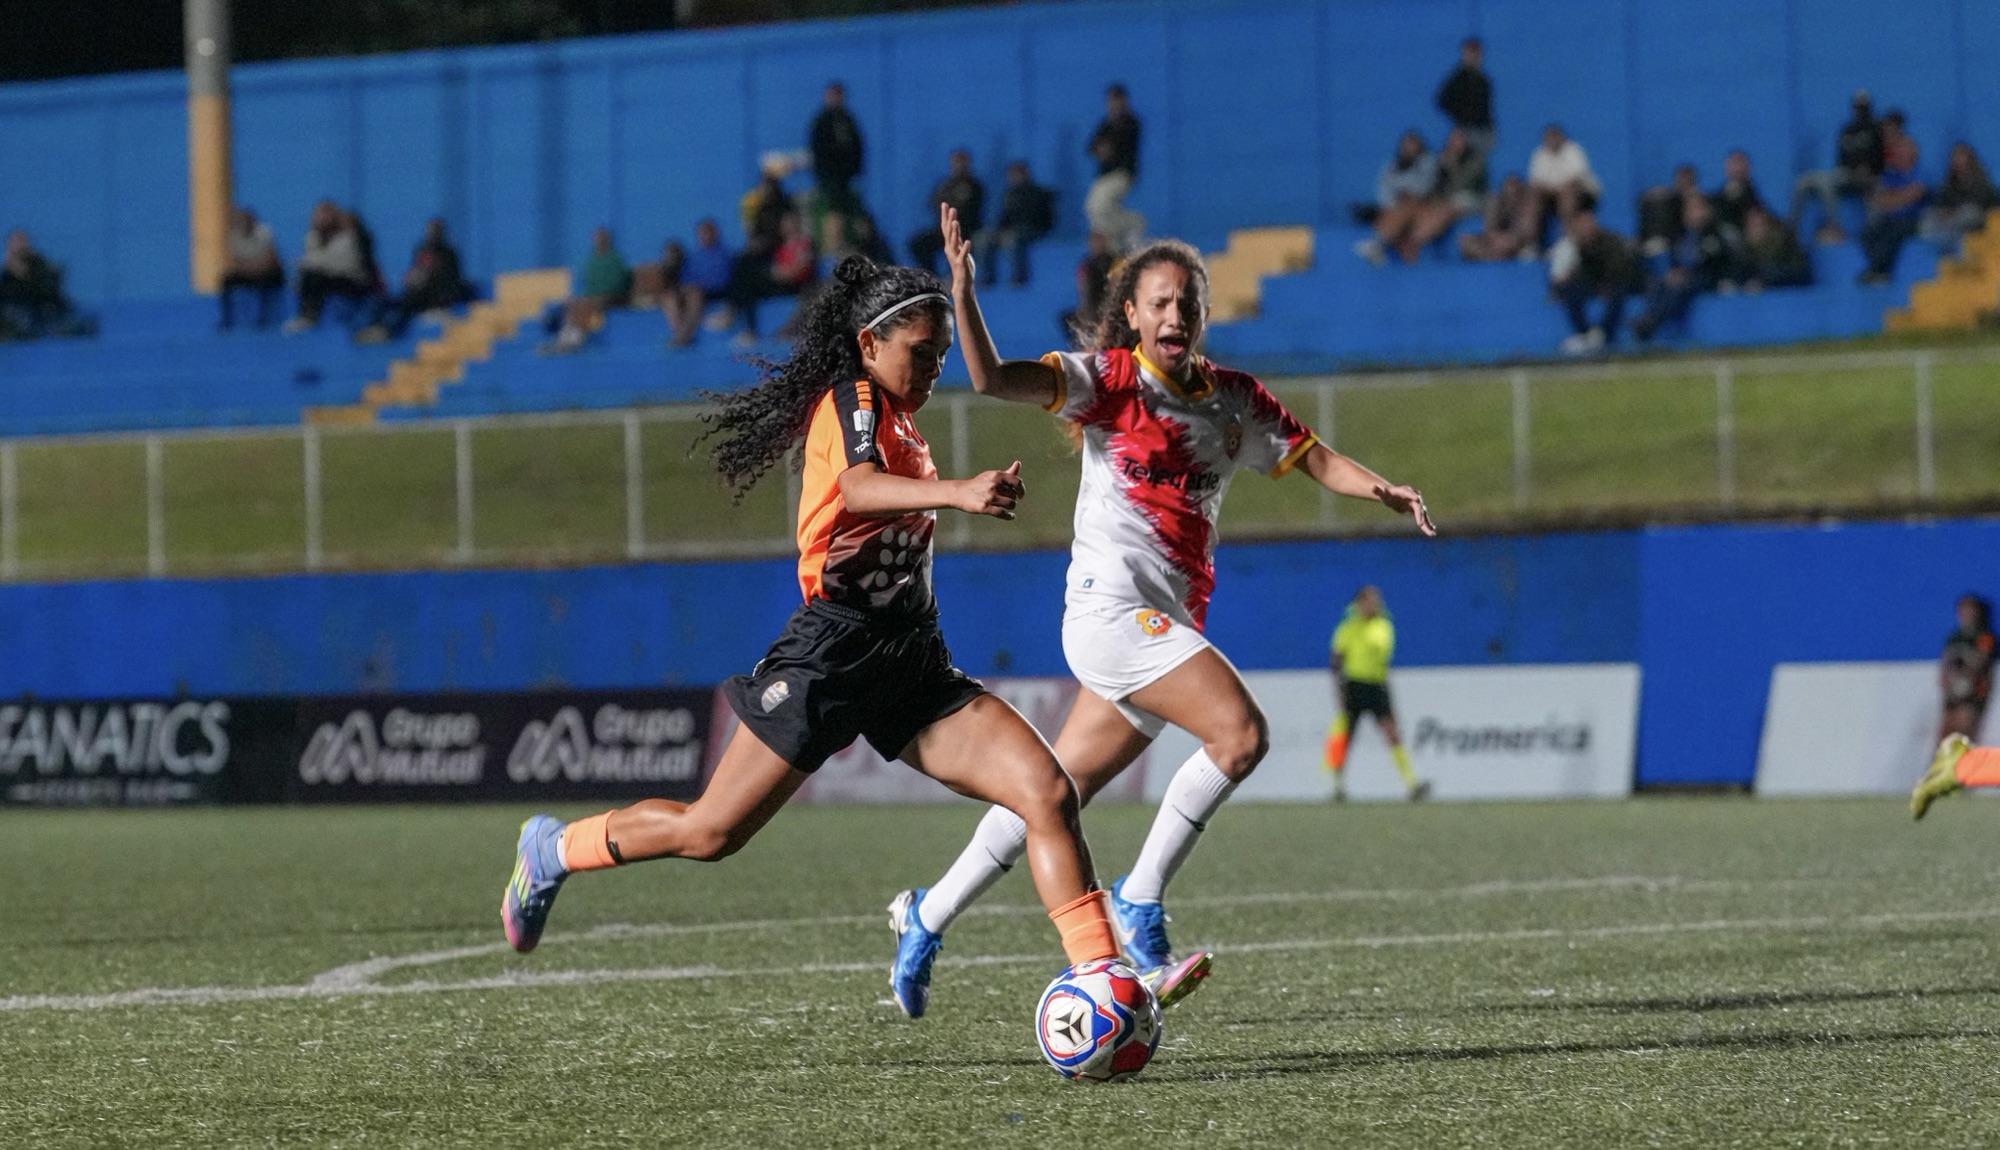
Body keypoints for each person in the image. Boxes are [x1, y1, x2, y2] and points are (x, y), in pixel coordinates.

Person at [500, 256, 1132, 1008]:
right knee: (710, 833)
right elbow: (857, 490)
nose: (934, 367)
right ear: (869, 344)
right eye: (920, 352)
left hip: (910, 659)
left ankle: (1103, 978)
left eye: (940, 354)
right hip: (828, 654)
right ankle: (553, 849)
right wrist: (959, 491)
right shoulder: (851, 398)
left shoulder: (904, 422)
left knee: (1047, 792)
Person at [883, 204, 1436, 1019]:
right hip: (1110, 616)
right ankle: (1139, 900)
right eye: (1160, 303)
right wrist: (964, 294)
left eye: (1188, 302)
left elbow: (1313, 457)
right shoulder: (1109, 383)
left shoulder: (1235, 400)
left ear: (1202, 315)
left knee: (1051, 794)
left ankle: (925, 916)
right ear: (1134, 316)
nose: (1175, 314)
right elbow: (994, 379)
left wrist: (1380, 487)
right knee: (1240, 734)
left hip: (1161, 625)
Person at [1322, 586, 1428, 802]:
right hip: (1354, 686)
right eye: (1369, 601)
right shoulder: (1348, 628)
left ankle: (1412, 783)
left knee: (1392, 733)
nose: (1374, 605)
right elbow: (1336, 659)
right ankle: (1337, 786)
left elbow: (1383, 657)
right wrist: (1339, 689)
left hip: (1377, 685)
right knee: (1343, 737)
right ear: (1359, 604)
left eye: (1376, 601)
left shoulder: (1384, 626)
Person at [1910, 595, 1999, 820]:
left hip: (1971, 695)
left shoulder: (1984, 637)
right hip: (1952, 694)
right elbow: (1946, 660)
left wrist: (1969, 681)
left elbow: (1982, 661)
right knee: (1944, 738)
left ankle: (1959, 780)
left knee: (1964, 736)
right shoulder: (1954, 637)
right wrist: (1946, 680)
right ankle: (1936, 778)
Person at [354, 218, 472, 344]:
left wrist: (429, 282)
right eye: (430, 230)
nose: (432, 233)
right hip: (416, 291)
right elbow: (416, 270)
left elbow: (449, 279)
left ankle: (390, 332)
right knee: (385, 303)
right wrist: (412, 278)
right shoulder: (422, 249)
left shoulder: (448, 253)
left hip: (434, 296)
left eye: (436, 230)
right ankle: (373, 327)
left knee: (407, 307)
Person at [1789, 90, 1884, 246]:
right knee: (1805, 182)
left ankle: (1834, 227)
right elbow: (1840, 160)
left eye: (1863, 107)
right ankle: (1792, 230)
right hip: (1847, 174)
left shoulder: (1877, 128)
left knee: (1831, 182)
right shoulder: (1847, 130)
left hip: (1871, 177)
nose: (1860, 111)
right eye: (1857, 107)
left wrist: (1870, 170)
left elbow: (1883, 158)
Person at [1632, 193, 1730, 342]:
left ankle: (1652, 321)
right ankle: (1649, 317)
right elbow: (1673, 256)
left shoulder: (1713, 232)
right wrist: (1671, 272)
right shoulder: (1678, 233)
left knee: (1681, 285)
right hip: (1679, 275)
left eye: (1696, 209)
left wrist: (1684, 272)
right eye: (1689, 209)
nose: (1692, 214)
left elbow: (1709, 259)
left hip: (1706, 277)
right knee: (1658, 282)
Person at [1548, 208, 1642, 355]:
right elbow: (1584, 273)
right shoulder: (1581, 246)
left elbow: (1620, 268)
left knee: (1618, 294)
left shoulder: (1611, 240)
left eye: (1589, 223)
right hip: (1596, 283)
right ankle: (1584, 334)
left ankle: (1606, 334)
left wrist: (1605, 286)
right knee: (1571, 292)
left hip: (1620, 281)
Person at [726, 211, 817, 347]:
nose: (787, 226)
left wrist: (779, 272)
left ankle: (736, 317)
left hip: (794, 284)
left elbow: (801, 269)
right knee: (745, 274)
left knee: (746, 271)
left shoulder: (804, 244)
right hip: (778, 279)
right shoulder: (781, 245)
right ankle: (742, 322)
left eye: (790, 223)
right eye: (784, 224)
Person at [284, 201, 373, 333]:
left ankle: (310, 316)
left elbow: (342, 265)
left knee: (316, 277)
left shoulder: (348, 238)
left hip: (353, 279)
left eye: (325, 216)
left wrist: (311, 263)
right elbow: (313, 259)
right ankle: (305, 315)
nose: (321, 220)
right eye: (317, 216)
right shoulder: (312, 237)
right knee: (309, 276)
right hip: (328, 277)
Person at [1353, 131, 1439, 266]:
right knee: (1390, 212)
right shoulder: (1392, 165)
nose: (1409, 150)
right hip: (1397, 208)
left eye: (1413, 147)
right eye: (1406, 147)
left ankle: (1379, 244)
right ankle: (1381, 247)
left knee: (1408, 203)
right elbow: (1383, 190)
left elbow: (1422, 188)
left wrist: (1404, 191)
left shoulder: (1428, 162)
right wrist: (1395, 201)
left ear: (1420, 148)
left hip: (1423, 206)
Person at [542, 227, 632, 354]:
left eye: (601, 238)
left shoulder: (615, 259)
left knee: (585, 304)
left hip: (613, 297)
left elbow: (619, 283)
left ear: (607, 240)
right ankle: (564, 337)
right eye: (596, 238)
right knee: (572, 302)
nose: (598, 241)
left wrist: (597, 295)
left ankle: (575, 339)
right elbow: (588, 284)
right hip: (592, 296)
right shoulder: (591, 260)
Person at [1857, 136, 1927, 286]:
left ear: (1913, 153)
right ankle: (1877, 269)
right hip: (1890, 218)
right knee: (1868, 233)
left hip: (1914, 219)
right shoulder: (1890, 175)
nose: (1899, 154)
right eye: (1898, 151)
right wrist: (1901, 197)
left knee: (1894, 232)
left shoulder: (1921, 173)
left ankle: (1880, 271)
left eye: (1903, 150)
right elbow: (1880, 201)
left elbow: (1915, 195)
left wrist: (1894, 199)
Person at [975, 161, 1057, 287]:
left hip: (1033, 229)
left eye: (1017, 174)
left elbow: (1041, 218)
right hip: (1012, 229)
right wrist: (998, 231)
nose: (1013, 177)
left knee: (1010, 239)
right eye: (1011, 174)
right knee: (982, 238)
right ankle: (986, 277)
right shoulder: (1010, 194)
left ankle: (1018, 277)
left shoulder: (1038, 193)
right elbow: (1005, 217)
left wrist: (1011, 230)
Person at [0, 230, 94, 340]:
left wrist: (24, 275)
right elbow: (8, 295)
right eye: (15, 243)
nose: (19, 246)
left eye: (22, 242)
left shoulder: (38, 264)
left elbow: (46, 289)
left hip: (42, 309)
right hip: (20, 310)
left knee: (50, 321)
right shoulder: (8, 272)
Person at [1085, 83, 1145, 253]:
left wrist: (1108, 149)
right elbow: (1091, 148)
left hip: (1122, 173)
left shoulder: (1131, 122)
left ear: (1124, 100)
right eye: (1110, 100)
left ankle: (1134, 222)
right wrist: (1100, 150)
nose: (1112, 104)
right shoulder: (1106, 123)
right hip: (1104, 174)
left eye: (1116, 100)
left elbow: (1122, 147)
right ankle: (1114, 246)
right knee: (1092, 209)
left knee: (1100, 205)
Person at [908, 149, 985, 276]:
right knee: (918, 243)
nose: (958, 165)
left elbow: (968, 209)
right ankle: (931, 275)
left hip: (966, 229)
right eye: (955, 162)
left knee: (958, 246)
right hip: (944, 229)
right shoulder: (945, 184)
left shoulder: (974, 185)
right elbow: (934, 202)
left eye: (961, 161)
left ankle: (956, 277)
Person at [807, 81, 865, 247]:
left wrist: (855, 168)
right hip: (830, 176)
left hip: (847, 176)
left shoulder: (848, 120)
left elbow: (857, 146)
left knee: (851, 211)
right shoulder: (822, 121)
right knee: (834, 211)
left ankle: (852, 244)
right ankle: (834, 245)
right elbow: (818, 150)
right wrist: (824, 172)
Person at [1526, 124, 1601, 246]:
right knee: (1532, 198)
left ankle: (1568, 237)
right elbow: (1535, 183)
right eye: (1549, 138)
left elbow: (1574, 180)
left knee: (1567, 193)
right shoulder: (1539, 154)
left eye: (1555, 137)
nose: (1552, 141)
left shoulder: (1573, 150)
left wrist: (1554, 189)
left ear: (1562, 137)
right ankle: (1531, 242)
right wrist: (1551, 190)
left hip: (1583, 195)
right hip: (1552, 195)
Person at [1919, 143, 2000, 255]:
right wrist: (1943, 211)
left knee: (1969, 212)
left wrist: (1955, 212)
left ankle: (1949, 241)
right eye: (1954, 156)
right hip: (1951, 219)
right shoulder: (1949, 182)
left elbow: (1984, 204)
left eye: (1960, 156)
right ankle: (1938, 243)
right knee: (1928, 214)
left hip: (1976, 218)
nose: (1957, 160)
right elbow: (1942, 200)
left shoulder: (1982, 181)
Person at [665, 219, 732, 348]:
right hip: (691, 290)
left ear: (715, 234)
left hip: (714, 291)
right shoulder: (693, 256)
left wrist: (698, 286)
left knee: (694, 296)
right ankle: (680, 333)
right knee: (669, 297)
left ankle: (684, 337)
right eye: (701, 233)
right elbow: (685, 278)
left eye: (707, 232)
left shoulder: (723, 254)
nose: (704, 236)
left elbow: (722, 278)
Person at [1434, 36, 1494, 177]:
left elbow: (1486, 108)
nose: (1473, 57)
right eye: (1469, 53)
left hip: (1484, 131)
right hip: (1467, 129)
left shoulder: (1483, 80)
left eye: (1476, 53)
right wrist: (1461, 121)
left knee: (1477, 164)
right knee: (1452, 161)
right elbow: (1442, 100)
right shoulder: (1458, 78)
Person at [218, 207, 284, 330]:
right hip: (247, 272)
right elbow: (235, 262)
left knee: (268, 279)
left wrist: (257, 269)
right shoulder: (233, 236)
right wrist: (249, 271)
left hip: (265, 271)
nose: (246, 223)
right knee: (226, 280)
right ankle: (227, 318)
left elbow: (271, 259)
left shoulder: (265, 233)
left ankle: (264, 318)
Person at [1457, 173, 1536, 262]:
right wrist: (1496, 239)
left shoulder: (1530, 205)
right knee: (1465, 242)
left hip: (1517, 243)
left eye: (1515, 192)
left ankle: (1492, 256)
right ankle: (1492, 255)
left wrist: (1506, 241)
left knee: (1525, 250)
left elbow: (1528, 234)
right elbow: (1489, 230)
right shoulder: (1495, 201)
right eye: (1508, 192)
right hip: (1496, 241)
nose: (1512, 195)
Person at [1059, 231, 1117, 346]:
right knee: (1067, 318)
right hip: (1091, 306)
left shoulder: (1114, 262)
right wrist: (1086, 311)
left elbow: (1115, 286)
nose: (1096, 244)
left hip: (1109, 306)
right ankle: (1080, 346)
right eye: (1093, 241)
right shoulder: (1086, 264)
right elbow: (1084, 290)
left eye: (1099, 241)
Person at [1737, 207, 1813, 293]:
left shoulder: (1786, 246)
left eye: (1759, 224)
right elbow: (1739, 274)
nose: (1756, 229)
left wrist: (1765, 282)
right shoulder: (1743, 253)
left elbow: (1798, 273)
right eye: (1751, 225)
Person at [1710, 150, 1766, 256]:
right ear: (1727, 167)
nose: (1738, 169)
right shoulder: (1715, 200)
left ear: (1748, 168)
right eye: (1734, 163)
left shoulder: (1754, 202)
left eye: (1741, 164)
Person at [1636, 164, 1699, 257]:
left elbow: (1693, 223)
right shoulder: (1668, 199)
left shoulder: (1697, 200)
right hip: (1661, 240)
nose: (1682, 182)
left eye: (1686, 180)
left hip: (1681, 241)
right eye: (1680, 179)